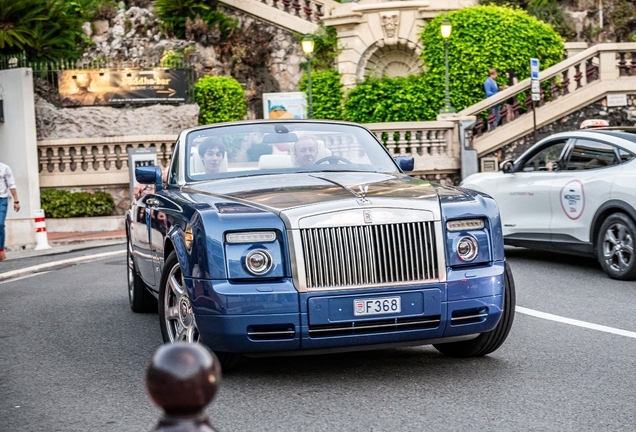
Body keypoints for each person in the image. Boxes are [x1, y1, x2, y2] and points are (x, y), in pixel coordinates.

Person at [0, 161, 20, 260]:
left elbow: (11, 185)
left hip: (1, 200)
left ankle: (1, 250)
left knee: (0, 224)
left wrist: (16, 201)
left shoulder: (5, 168)